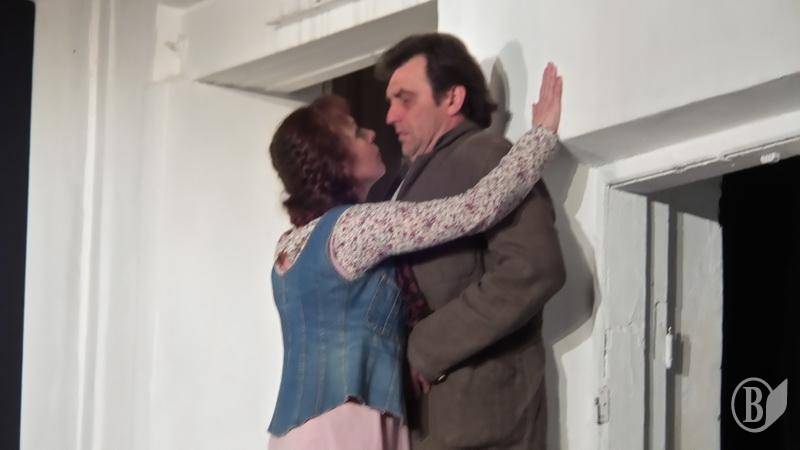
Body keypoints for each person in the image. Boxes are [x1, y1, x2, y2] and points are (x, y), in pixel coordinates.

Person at [265, 64, 563, 449]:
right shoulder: (355, 228)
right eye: (356, 133)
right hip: (348, 425)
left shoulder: (288, 246)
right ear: (337, 162)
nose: (373, 132)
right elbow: (476, 208)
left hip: (294, 431)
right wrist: (541, 136)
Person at [376, 33, 567, 450]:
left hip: (483, 424)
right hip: (430, 426)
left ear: (452, 98)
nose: (390, 116)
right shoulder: (406, 181)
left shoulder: (485, 155)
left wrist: (425, 347)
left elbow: (533, 267)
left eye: (405, 99)